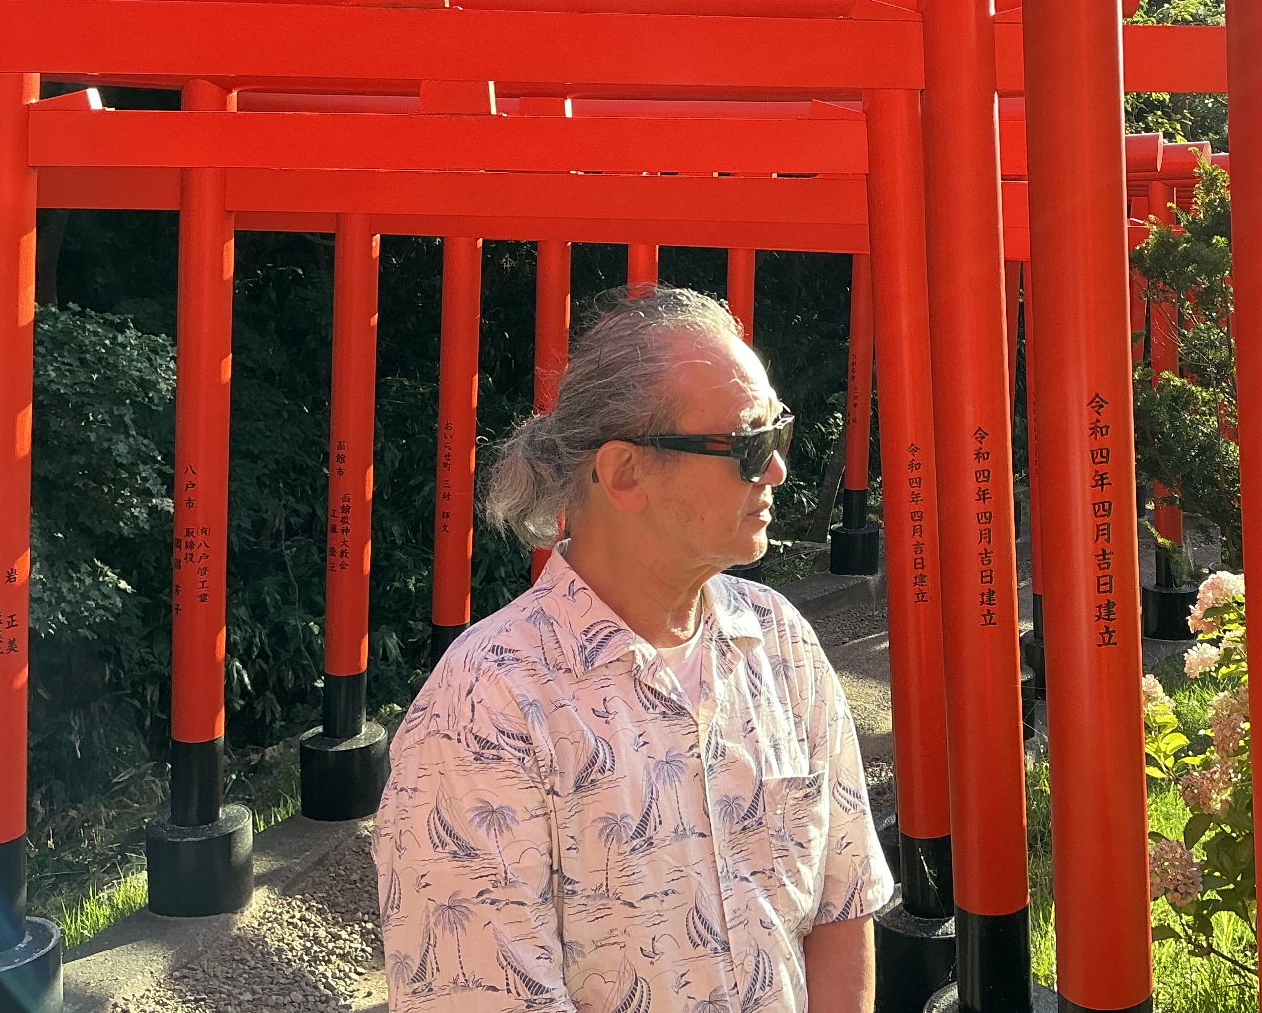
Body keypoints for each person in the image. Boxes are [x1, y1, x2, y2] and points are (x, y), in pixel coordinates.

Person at [374, 285, 893, 1012]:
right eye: (748, 446)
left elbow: (843, 902)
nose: (777, 469)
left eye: (778, 434)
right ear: (624, 474)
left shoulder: (782, 645)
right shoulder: (486, 709)